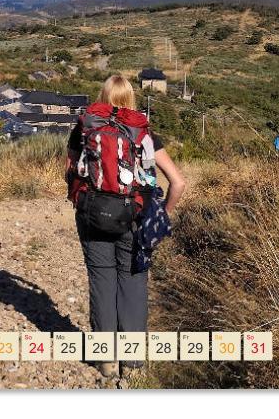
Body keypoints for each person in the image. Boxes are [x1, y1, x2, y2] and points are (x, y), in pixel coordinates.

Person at [67, 75, 186, 380]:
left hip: (92, 215)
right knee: (132, 283)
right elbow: (178, 181)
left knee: (102, 281)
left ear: (102, 96)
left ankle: (105, 360)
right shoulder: (144, 134)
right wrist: (161, 214)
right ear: (131, 99)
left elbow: (69, 173)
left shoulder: (85, 128)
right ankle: (131, 363)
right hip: (134, 218)